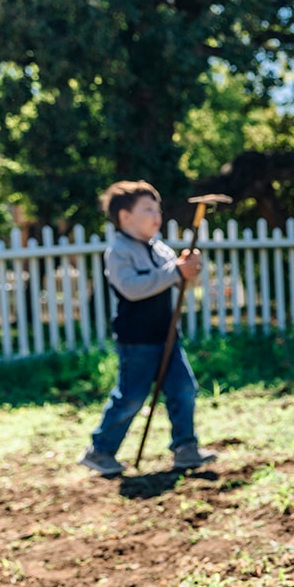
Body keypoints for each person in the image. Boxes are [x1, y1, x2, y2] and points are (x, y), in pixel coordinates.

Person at [80, 181, 218, 476]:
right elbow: (132, 288)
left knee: (183, 389)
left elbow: (180, 282)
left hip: (167, 334)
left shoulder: (161, 249)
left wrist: (189, 271)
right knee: (130, 397)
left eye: (158, 209)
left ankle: (185, 448)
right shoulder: (118, 251)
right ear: (125, 216)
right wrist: (174, 271)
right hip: (137, 339)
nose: (157, 215)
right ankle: (100, 451)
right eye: (147, 209)